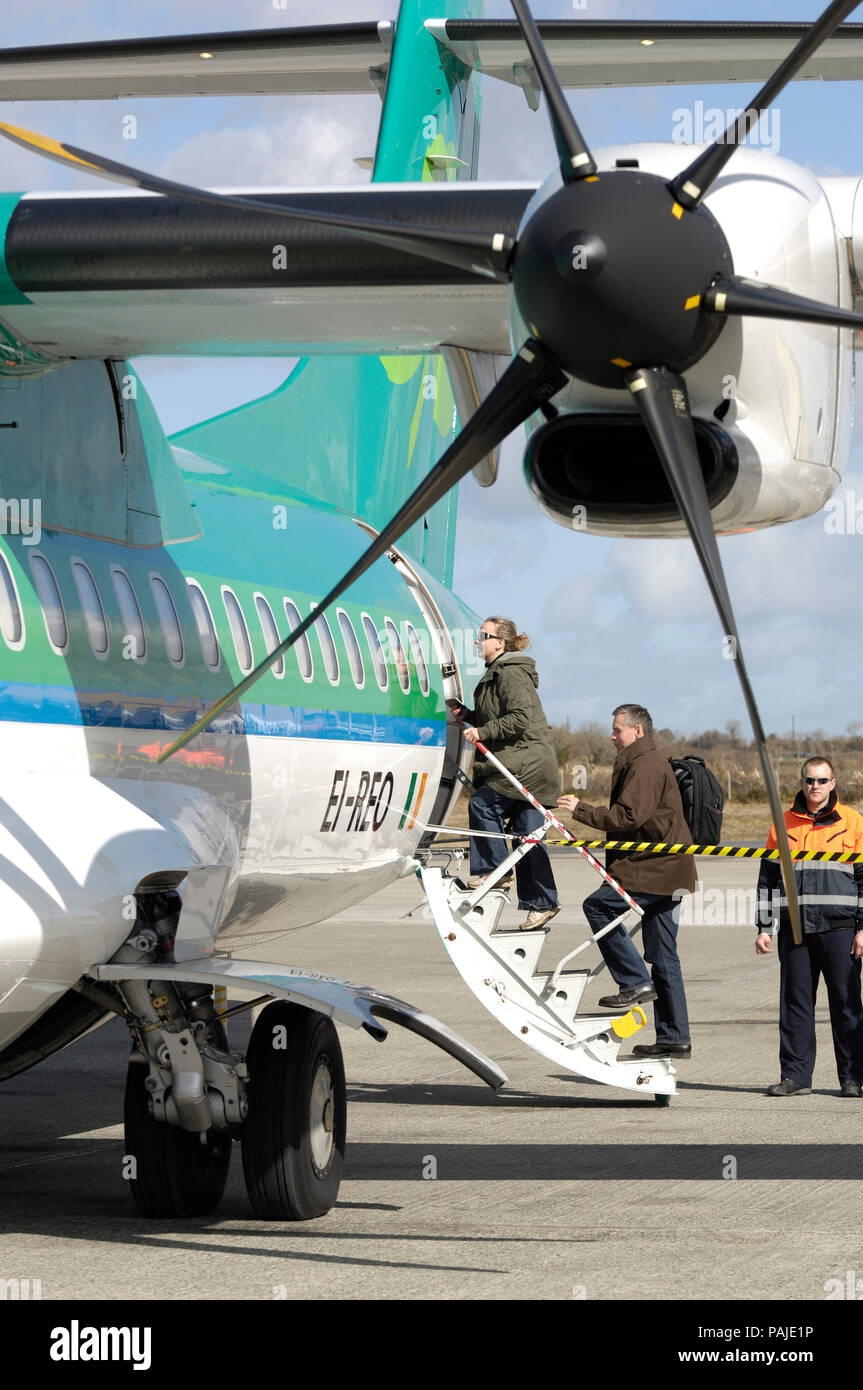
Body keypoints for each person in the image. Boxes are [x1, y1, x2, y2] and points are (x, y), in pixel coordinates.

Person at [557, 703, 695, 1057]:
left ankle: (634, 981)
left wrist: (580, 809)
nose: (612, 735)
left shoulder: (645, 765)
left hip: (655, 867)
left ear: (638, 731)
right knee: (664, 957)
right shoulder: (643, 761)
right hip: (670, 869)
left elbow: (627, 817)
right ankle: (674, 1037)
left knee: (598, 906)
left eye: (618, 729)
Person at [755, 756, 863, 1098]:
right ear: (802, 783)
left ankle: (853, 1078)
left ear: (833, 783)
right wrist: (763, 927)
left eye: (821, 780)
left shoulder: (853, 822)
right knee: (795, 1005)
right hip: (795, 928)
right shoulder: (782, 823)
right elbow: (768, 880)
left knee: (846, 1004)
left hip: (840, 928)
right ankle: (796, 1076)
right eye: (808, 780)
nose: (814, 787)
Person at [450, 617, 560, 931]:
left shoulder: (510, 672)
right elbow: (500, 716)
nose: (477, 641)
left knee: (482, 805)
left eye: (483, 636)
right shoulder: (501, 672)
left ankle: (495, 872)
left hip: (526, 765)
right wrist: (469, 717)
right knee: (527, 838)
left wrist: (482, 731)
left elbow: (520, 719)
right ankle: (543, 903)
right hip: (527, 764)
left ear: (500, 642)